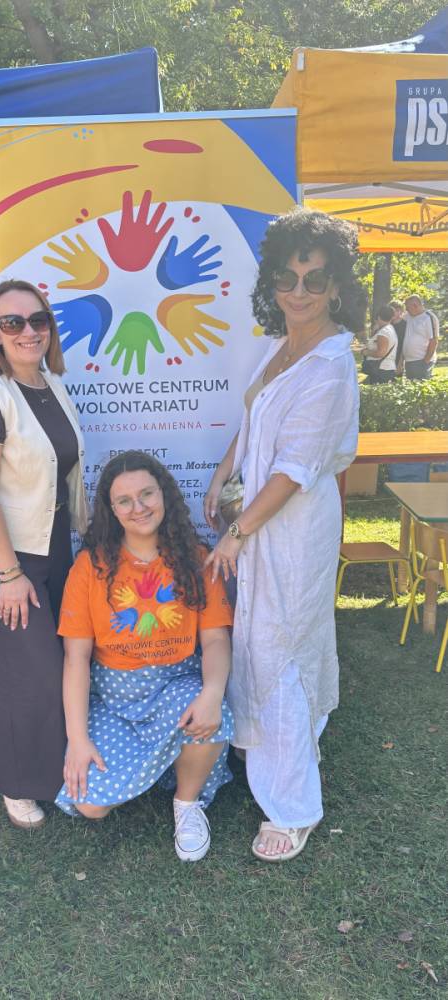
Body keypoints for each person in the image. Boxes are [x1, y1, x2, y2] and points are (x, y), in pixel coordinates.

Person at [203, 208, 364, 862]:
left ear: (336, 286)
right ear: (271, 282)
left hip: (293, 530)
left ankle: (292, 807)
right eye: (288, 278)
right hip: (264, 521)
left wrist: (237, 533)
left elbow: (294, 470)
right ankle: (285, 742)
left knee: (282, 647)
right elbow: (256, 420)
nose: (300, 292)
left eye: (314, 279)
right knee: (272, 641)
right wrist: (223, 474)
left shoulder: (329, 366)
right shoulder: (285, 346)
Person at [0, 279, 87, 830]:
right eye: (13, 322)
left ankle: (54, 769)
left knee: (57, 664)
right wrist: (9, 574)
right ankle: (18, 782)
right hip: (1, 557)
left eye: (38, 320)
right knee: (27, 673)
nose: (28, 331)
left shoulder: (52, 384)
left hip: (51, 548)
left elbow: (62, 471)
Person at [55, 451, 234, 862]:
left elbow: (216, 640)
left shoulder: (195, 559)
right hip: (115, 698)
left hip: (176, 684)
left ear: (164, 494)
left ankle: (187, 803)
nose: (138, 507)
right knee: (90, 805)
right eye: (124, 500)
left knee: (213, 712)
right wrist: (78, 740)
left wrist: (212, 693)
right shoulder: (89, 567)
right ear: (111, 510)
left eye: (147, 494)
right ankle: (167, 764)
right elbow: (76, 659)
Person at [402, 294, 439, 380]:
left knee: (420, 385)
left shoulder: (429, 317)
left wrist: (425, 361)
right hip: (409, 361)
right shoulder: (408, 316)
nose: (406, 310)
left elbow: (434, 341)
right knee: (411, 386)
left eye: (407, 307)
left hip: (422, 361)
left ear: (415, 305)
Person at [361, 304, 398, 384]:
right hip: (383, 368)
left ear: (378, 317)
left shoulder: (384, 332)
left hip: (381, 369)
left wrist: (365, 352)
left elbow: (380, 353)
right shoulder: (388, 329)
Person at [389, 299, 407, 375]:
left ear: (402, 311)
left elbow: (404, 346)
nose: (394, 313)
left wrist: (400, 363)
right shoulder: (387, 324)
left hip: (398, 360)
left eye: (397, 310)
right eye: (392, 310)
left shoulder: (405, 325)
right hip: (386, 360)